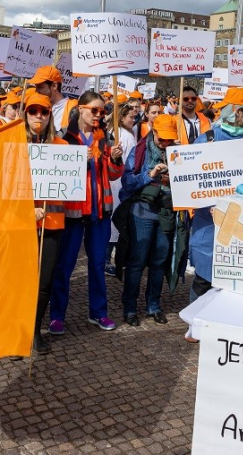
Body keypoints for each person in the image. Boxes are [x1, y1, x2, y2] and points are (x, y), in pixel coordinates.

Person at [49, 91, 124, 333]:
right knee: (65, 265)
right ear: (80, 108)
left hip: (100, 212)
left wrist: (115, 160)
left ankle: (98, 313)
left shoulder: (106, 138)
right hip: (72, 213)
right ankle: (57, 315)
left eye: (102, 111)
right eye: (94, 110)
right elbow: (58, 171)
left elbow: (113, 175)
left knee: (97, 265)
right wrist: (80, 160)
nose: (99, 115)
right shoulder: (64, 137)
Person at [187, 87, 243, 309]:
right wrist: (208, 203)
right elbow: (192, 184)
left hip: (239, 221)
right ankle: (195, 322)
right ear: (238, 112)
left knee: (232, 279)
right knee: (204, 277)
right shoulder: (207, 140)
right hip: (209, 224)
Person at [117, 114, 183, 326]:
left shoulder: (179, 152)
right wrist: (150, 173)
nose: (165, 143)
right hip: (142, 211)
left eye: (169, 139)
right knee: (136, 262)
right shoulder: (140, 151)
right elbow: (127, 181)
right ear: (153, 131)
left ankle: (153, 305)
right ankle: (129, 307)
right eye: (162, 138)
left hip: (166, 212)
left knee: (159, 261)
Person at [24, 90, 68, 355]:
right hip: (21, 224)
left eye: (43, 111)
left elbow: (70, 186)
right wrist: (27, 211)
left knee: (44, 282)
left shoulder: (61, 147)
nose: (38, 116)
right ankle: (17, 333)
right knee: (20, 280)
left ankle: (34, 330)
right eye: (33, 111)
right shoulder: (14, 144)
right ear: (25, 114)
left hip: (52, 223)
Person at [106, 100, 139, 279]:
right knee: (115, 222)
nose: (133, 120)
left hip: (116, 181)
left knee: (114, 221)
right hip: (118, 181)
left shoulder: (121, 133)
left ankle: (114, 258)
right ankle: (107, 259)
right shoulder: (123, 136)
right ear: (122, 117)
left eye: (135, 118)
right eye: (131, 117)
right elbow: (130, 162)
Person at [29, 66, 77, 133]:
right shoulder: (34, 106)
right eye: (36, 87)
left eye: (40, 87)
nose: (37, 91)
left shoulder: (73, 108)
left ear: (54, 86)